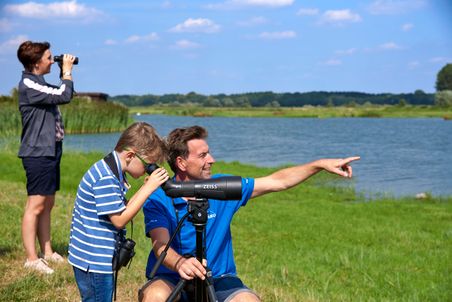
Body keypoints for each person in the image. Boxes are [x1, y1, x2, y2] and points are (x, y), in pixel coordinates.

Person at [139, 125, 360, 302]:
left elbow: (277, 181)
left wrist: (319, 165)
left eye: (210, 153)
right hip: (171, 276)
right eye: (203, 155)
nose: (212, 160)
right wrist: (180, 264)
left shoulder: (222, 187)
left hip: (218, 278)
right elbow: (160, 245)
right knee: (155, 296)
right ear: (182, 163)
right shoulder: (159, 197)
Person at [68, 122, 169, 301]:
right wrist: (148, 189)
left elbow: (118, 209)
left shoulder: (112, 170)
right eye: (148, 165)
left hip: (95, 258)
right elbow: (119, 220)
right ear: (131, 155)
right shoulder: (106, 177)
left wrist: (144, 189)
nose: (148, 169)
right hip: (94, 262)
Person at [17, 40, 76, 274]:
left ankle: (48, 251)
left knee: (48, 203)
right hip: (38, 152)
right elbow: (64, 94)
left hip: (50, 150)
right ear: (35, 62)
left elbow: (63, 92)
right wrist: (68, 72)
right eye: (49, 58)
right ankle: (32, 259)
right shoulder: (29, 84)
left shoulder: (39, 83)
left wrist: (65, 72)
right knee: (36, 204)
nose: (52, 61)